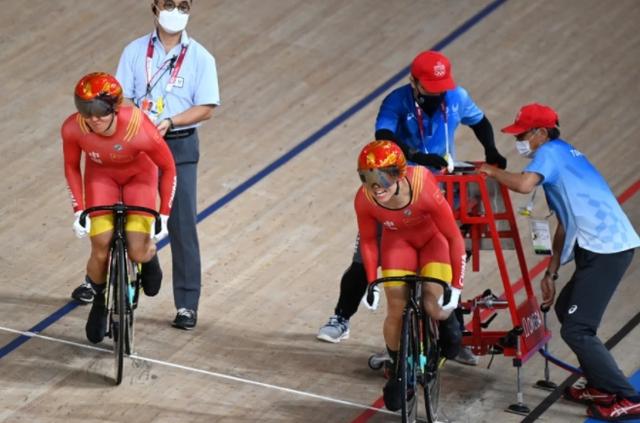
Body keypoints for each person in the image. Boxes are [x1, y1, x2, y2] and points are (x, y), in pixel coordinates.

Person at [318, 50, 507, 366]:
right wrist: (417, 156)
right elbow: (383, 138)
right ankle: (341, 318)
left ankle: (450, 336)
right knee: (364, 260)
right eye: (430, 88)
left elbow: (480, 121)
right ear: (414, 82)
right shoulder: (396, 101)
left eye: (441, 88)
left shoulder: (457, 96)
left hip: (434, 194)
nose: (437, 94)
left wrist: (492, 150)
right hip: (395, 189)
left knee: (443, 263)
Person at [479, 103, 640, 421]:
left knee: (578, 329)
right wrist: (551, 273)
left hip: (608, 250)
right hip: (598, 247)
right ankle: (599, 386)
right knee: (567, 308)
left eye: (522, 135)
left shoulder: (550, 153)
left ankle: (628, 396)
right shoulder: (563, 154)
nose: (519, 141)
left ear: (541, 132)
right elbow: (565, 223)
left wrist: (491, 171)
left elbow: (523, 185)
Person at [71, 0, 221, 330]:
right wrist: (135, 123)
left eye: (183, 5)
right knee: (110, 208)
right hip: (135, 141)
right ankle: (95, 281)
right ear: (155, 6)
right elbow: (118, 98)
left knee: (181, 222)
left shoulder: (200, 58)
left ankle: (186, 304)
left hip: (177, 142)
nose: (176, 11)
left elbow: (207, 107)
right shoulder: (135, 51)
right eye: (169, 4)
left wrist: (170, 120)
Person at [63, 72, 177, 344]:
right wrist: (79, 210)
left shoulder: (139, 127)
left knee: (137, 250)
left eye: (100, 111)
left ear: (115, 107)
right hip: (101, 179)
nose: (93, 119)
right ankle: (100, 298)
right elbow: (71, 166)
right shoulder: (73, 128)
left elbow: (168, 167)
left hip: (140, 178)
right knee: (100, 248)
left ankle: (148, 256)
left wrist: (164, 215)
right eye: (85, 110)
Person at [355, 140, 466, 411]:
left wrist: (456, 287)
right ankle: (399, 368)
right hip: (398, 244)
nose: (375, 187)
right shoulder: (364, 199)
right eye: (367, 178)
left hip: (433, 241)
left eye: (382, 178)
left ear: (399, 174)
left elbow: (453, 237)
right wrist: (371, 282)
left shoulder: (423, 186)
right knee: (396, 308)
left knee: (433, 305)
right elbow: (368, 241)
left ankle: (449, 323)